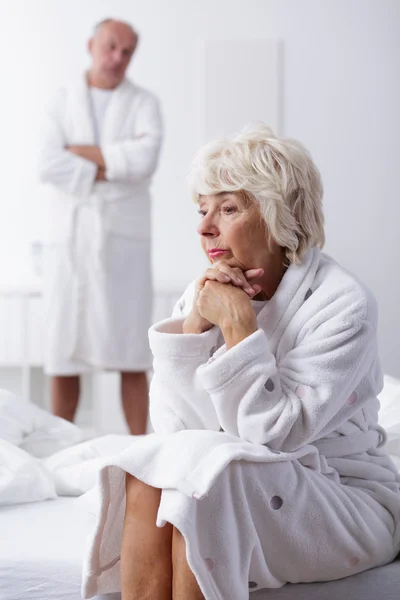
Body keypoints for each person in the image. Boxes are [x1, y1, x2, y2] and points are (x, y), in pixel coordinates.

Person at [81, 123, 400, 600]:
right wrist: (194, 331)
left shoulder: (343, 303)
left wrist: (239, 329)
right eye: (203, 208)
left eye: (228, 208)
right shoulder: (204, 295)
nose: (205, 226)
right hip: (243, 475)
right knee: (151, 472)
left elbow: (276, 436)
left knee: (212, 481)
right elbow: (175, 436)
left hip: (342, 497)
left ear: (279, 217)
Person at [38, 19, 163, 434]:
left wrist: (80, 154)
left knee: (132, 352)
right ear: (92, 44)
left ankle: (140, 445)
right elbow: (48, 163)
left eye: (127, 52)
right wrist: (113, 164)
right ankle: (59, 446)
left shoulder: (144, 102)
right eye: (111, 47)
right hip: (71, 242)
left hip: (121, 245)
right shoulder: (61, 100)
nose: (118, 58)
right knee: (63, 350)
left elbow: (145, 160)